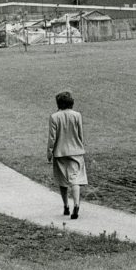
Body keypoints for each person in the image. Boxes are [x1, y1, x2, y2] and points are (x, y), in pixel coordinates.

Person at [47, 91, 87, 219]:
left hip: (60, 152)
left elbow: (52, 138)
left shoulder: (54, 117)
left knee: (62, 180)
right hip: (76, 151)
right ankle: (76, 204)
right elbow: (80, 134)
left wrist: (49, 152)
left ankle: (66, 206)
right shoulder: (77, 115)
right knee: (75, 179)